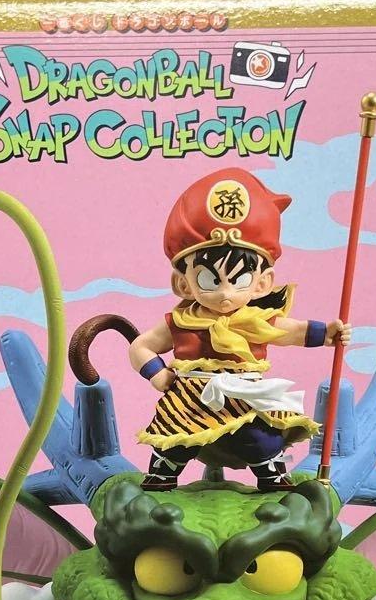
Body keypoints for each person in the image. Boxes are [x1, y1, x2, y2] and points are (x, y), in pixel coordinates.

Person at [129, 167, 350, 491]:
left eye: (240, 280)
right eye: (209, 280)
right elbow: (140, 346)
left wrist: (326, 334)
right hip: (189, 398)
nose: (225, 293)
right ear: (183, 283)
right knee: (173, 439)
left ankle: (272, 474)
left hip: (244, 395)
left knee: (260, 436)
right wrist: (157, 374)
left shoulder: (255, 321)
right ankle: (162, 474)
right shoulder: (180, 321)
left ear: (262, 283)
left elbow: (290, 330)